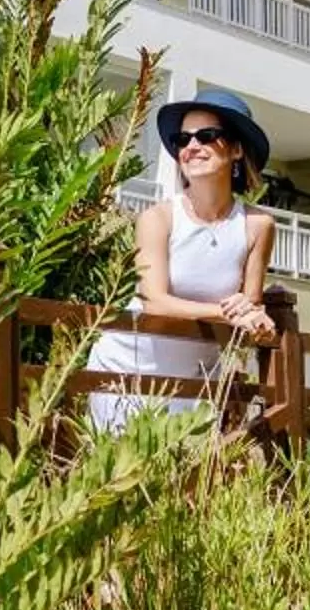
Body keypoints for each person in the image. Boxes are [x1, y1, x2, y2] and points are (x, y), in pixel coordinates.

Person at [87, 86, 278, 430]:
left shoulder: (258, 226)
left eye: (206, 136)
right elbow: (155, 302)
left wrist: (255, 318)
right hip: (126, 368)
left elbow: (249, 308)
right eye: (183, 139)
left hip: (196, 377)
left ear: (236, 149)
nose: (191, 146)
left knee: (190, 464)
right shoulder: (157, 218)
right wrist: (225, 312)